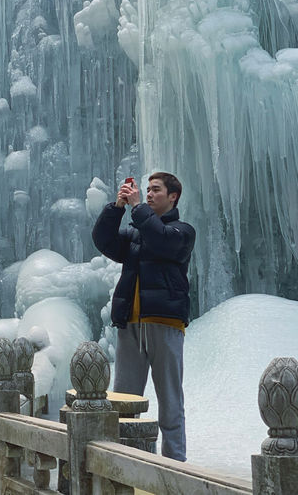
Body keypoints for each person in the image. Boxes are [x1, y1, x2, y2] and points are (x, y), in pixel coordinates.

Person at [92, 172, 195, 462]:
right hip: (131, 325)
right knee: (124, 400)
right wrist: (117, 207)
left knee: (170, 401)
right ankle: (123, 463)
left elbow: (162, 242)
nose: (149, 194)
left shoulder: (182, 232)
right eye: (147, 190)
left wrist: (138, 209)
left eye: (156, 190)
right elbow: (103, 240)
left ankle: (174, 465)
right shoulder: (137, 235)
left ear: (173, 196)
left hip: (165, 324)